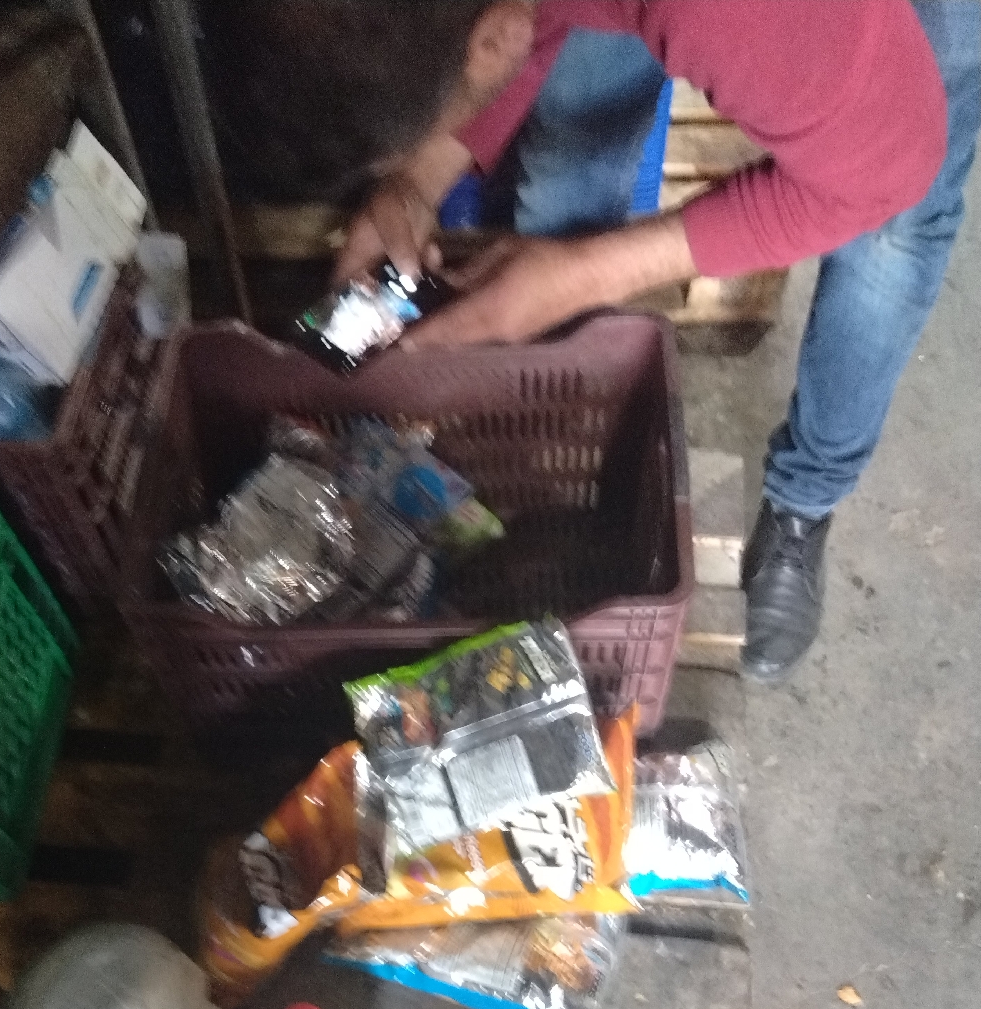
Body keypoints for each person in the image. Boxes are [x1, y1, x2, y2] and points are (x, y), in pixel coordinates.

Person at [216, 1, 974, 681]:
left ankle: (805, 498)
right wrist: (418, 180)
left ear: (489, 38)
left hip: (881, 99)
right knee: (579, 128)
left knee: (896, 230)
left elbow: (888, 169)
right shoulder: (515, 22)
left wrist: (587, 274)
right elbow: (526, 18)